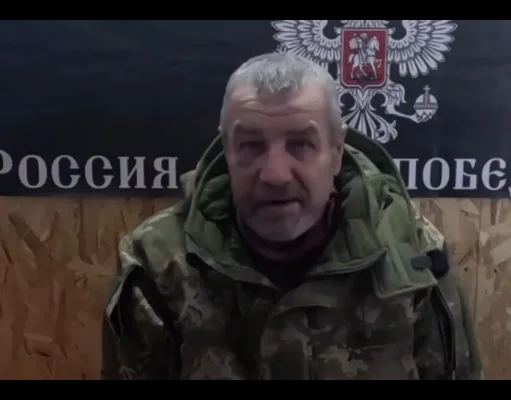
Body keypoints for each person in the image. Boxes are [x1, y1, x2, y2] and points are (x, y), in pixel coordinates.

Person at [101, 52, 482, 380]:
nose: (276, 175)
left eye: (300, 144)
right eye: (251, 145)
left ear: (336, 151)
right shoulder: (158, 263)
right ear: (226, 149)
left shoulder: (413, 255)